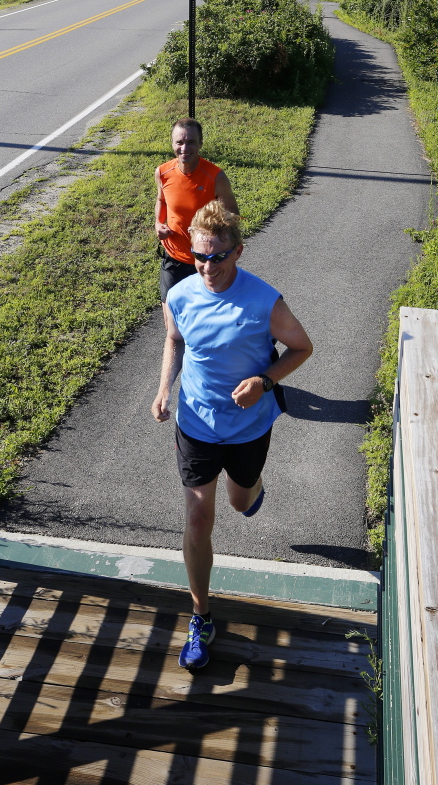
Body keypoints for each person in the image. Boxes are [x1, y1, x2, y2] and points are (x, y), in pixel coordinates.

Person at [151, 200, 313, 670]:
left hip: (248, 428)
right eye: (200, 257)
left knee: (240, 502)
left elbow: (302, 347)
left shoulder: (264, 300)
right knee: (199, 519)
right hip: (196, 424)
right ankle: (201, 616)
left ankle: (254, 488)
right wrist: (164, 388)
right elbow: (175, 340)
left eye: (218, 257)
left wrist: (265, 381)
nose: (207, 267)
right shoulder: (180, 295)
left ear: (237, 252)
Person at [154, 119, 238, 326]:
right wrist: (158, 223)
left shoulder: (215, 176)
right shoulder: (163, 172)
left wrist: (207, 228)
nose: (184, 148)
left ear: (200, 144)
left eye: (191, 142)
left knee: (206, 322)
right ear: (172, 144)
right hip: (173, 258)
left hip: (207, 261)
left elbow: (233, 216)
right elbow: (161, 200)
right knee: (171, 323)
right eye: (179, 142)